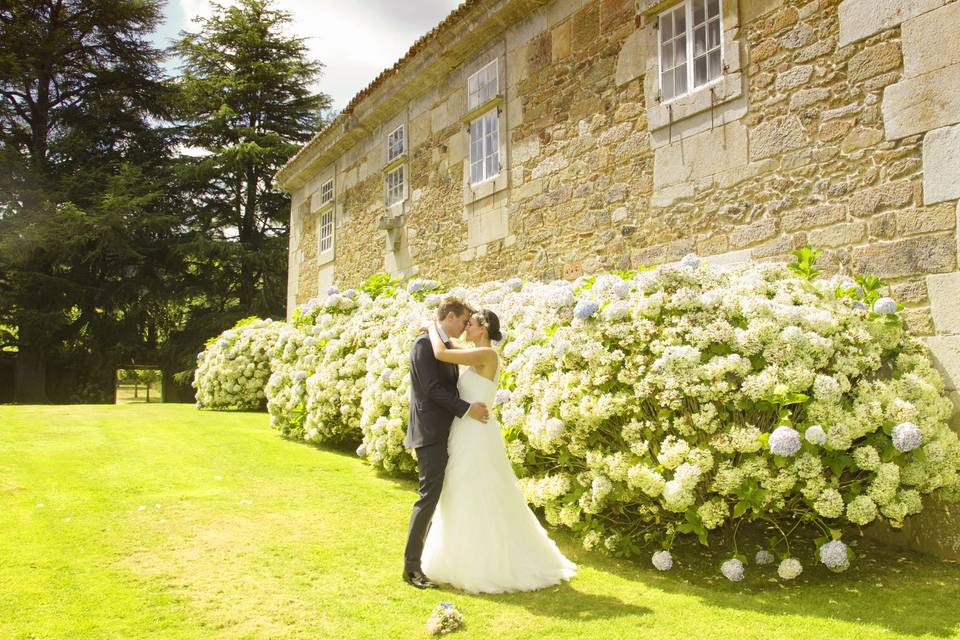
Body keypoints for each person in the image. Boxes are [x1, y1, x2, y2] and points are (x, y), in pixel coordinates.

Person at [419, 308, 577, 593]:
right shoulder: (475, 353)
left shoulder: (487, 355)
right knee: (459, 491)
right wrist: (437, 333)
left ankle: (486, 563)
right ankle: (458, 558)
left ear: (485, 327)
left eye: (472, 323)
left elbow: (441, 352)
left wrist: (432, 327)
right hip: (465, 430)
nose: (467, 326)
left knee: (478, 491)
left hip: (477, 434)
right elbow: (449, 347)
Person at [403, 297, 490, 589]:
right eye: (464, 321)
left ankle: (432, 559)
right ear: (450, 317)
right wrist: (467, 409)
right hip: (429, 433)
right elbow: (430, 390)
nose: (466, 326)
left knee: (437, 496)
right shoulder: (424, 345)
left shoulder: (441, 346)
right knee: (428, 497)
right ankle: (412, 568)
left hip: (446, 432)